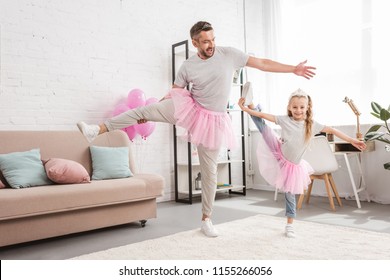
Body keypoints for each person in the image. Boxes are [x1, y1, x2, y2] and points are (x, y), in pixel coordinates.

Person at [77, 21, 317, 238]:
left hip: (213, 121)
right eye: (205, 41)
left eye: (213, 39)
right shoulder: (188, 66)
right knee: (143, 111)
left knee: (209, 171)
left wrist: (292, 69)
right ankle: (96, 130)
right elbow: (175, 90)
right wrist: (158, 108)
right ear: (195, 43)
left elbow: (262, 63)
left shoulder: (229, 54)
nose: (211, 44)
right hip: (190, 108)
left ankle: (206, 219)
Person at [238, 88, 366, 238]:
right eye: (295, 107)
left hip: (292, 167)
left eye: (301, 107)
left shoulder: (312, 125)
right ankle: (252, 102)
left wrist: (352, 140)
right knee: (263, 128)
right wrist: (245, 109)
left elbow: (332, 130)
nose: (298, 110)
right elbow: (262, 116)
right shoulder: (285, 120)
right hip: (278, 151)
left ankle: (289, 225)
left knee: (289, 195)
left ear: (307, 108)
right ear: (289, 108)